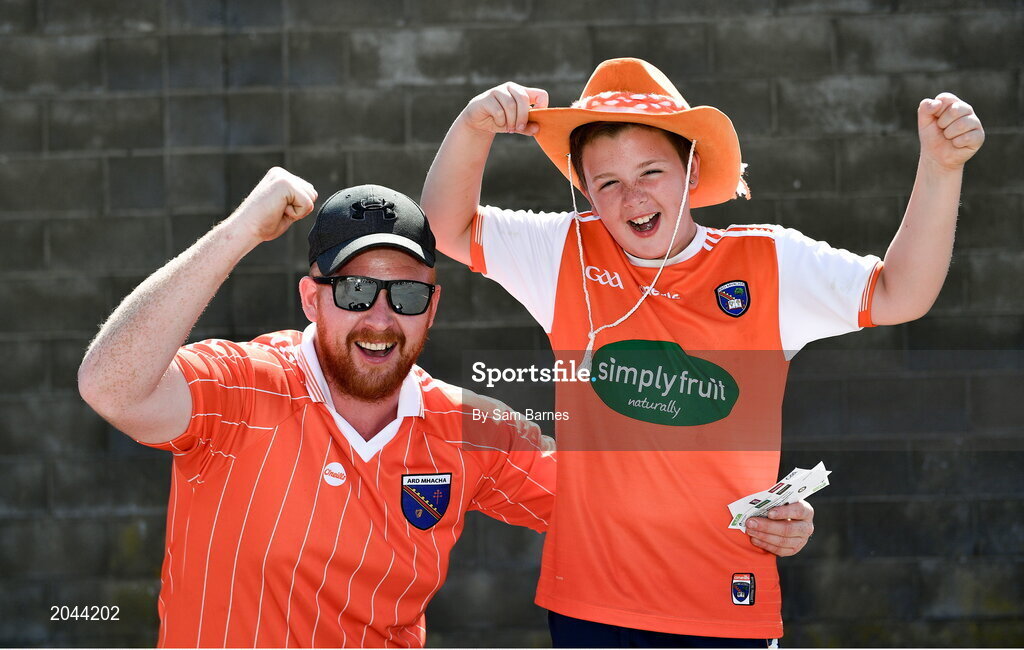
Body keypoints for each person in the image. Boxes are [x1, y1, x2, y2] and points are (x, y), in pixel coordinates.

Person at [420, 57, 984, 646]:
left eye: (651, 171)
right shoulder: (565, 251)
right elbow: (443, 227)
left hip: (725, 603)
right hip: (591, 606)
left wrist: (941, 169)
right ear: (584, 191)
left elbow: (901, 292)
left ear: (691, 172)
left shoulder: (767, 263)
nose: (632, 196)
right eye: (607, 182)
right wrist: (473, 125)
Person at [77, 171, 559, 647]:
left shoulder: (467, 426)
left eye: (407, 295)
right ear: (312, 299)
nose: (380, 319)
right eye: (355, 291)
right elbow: (110, 387)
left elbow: (616, 509)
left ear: (432, 309)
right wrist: (239, 231)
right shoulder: (239, 387)